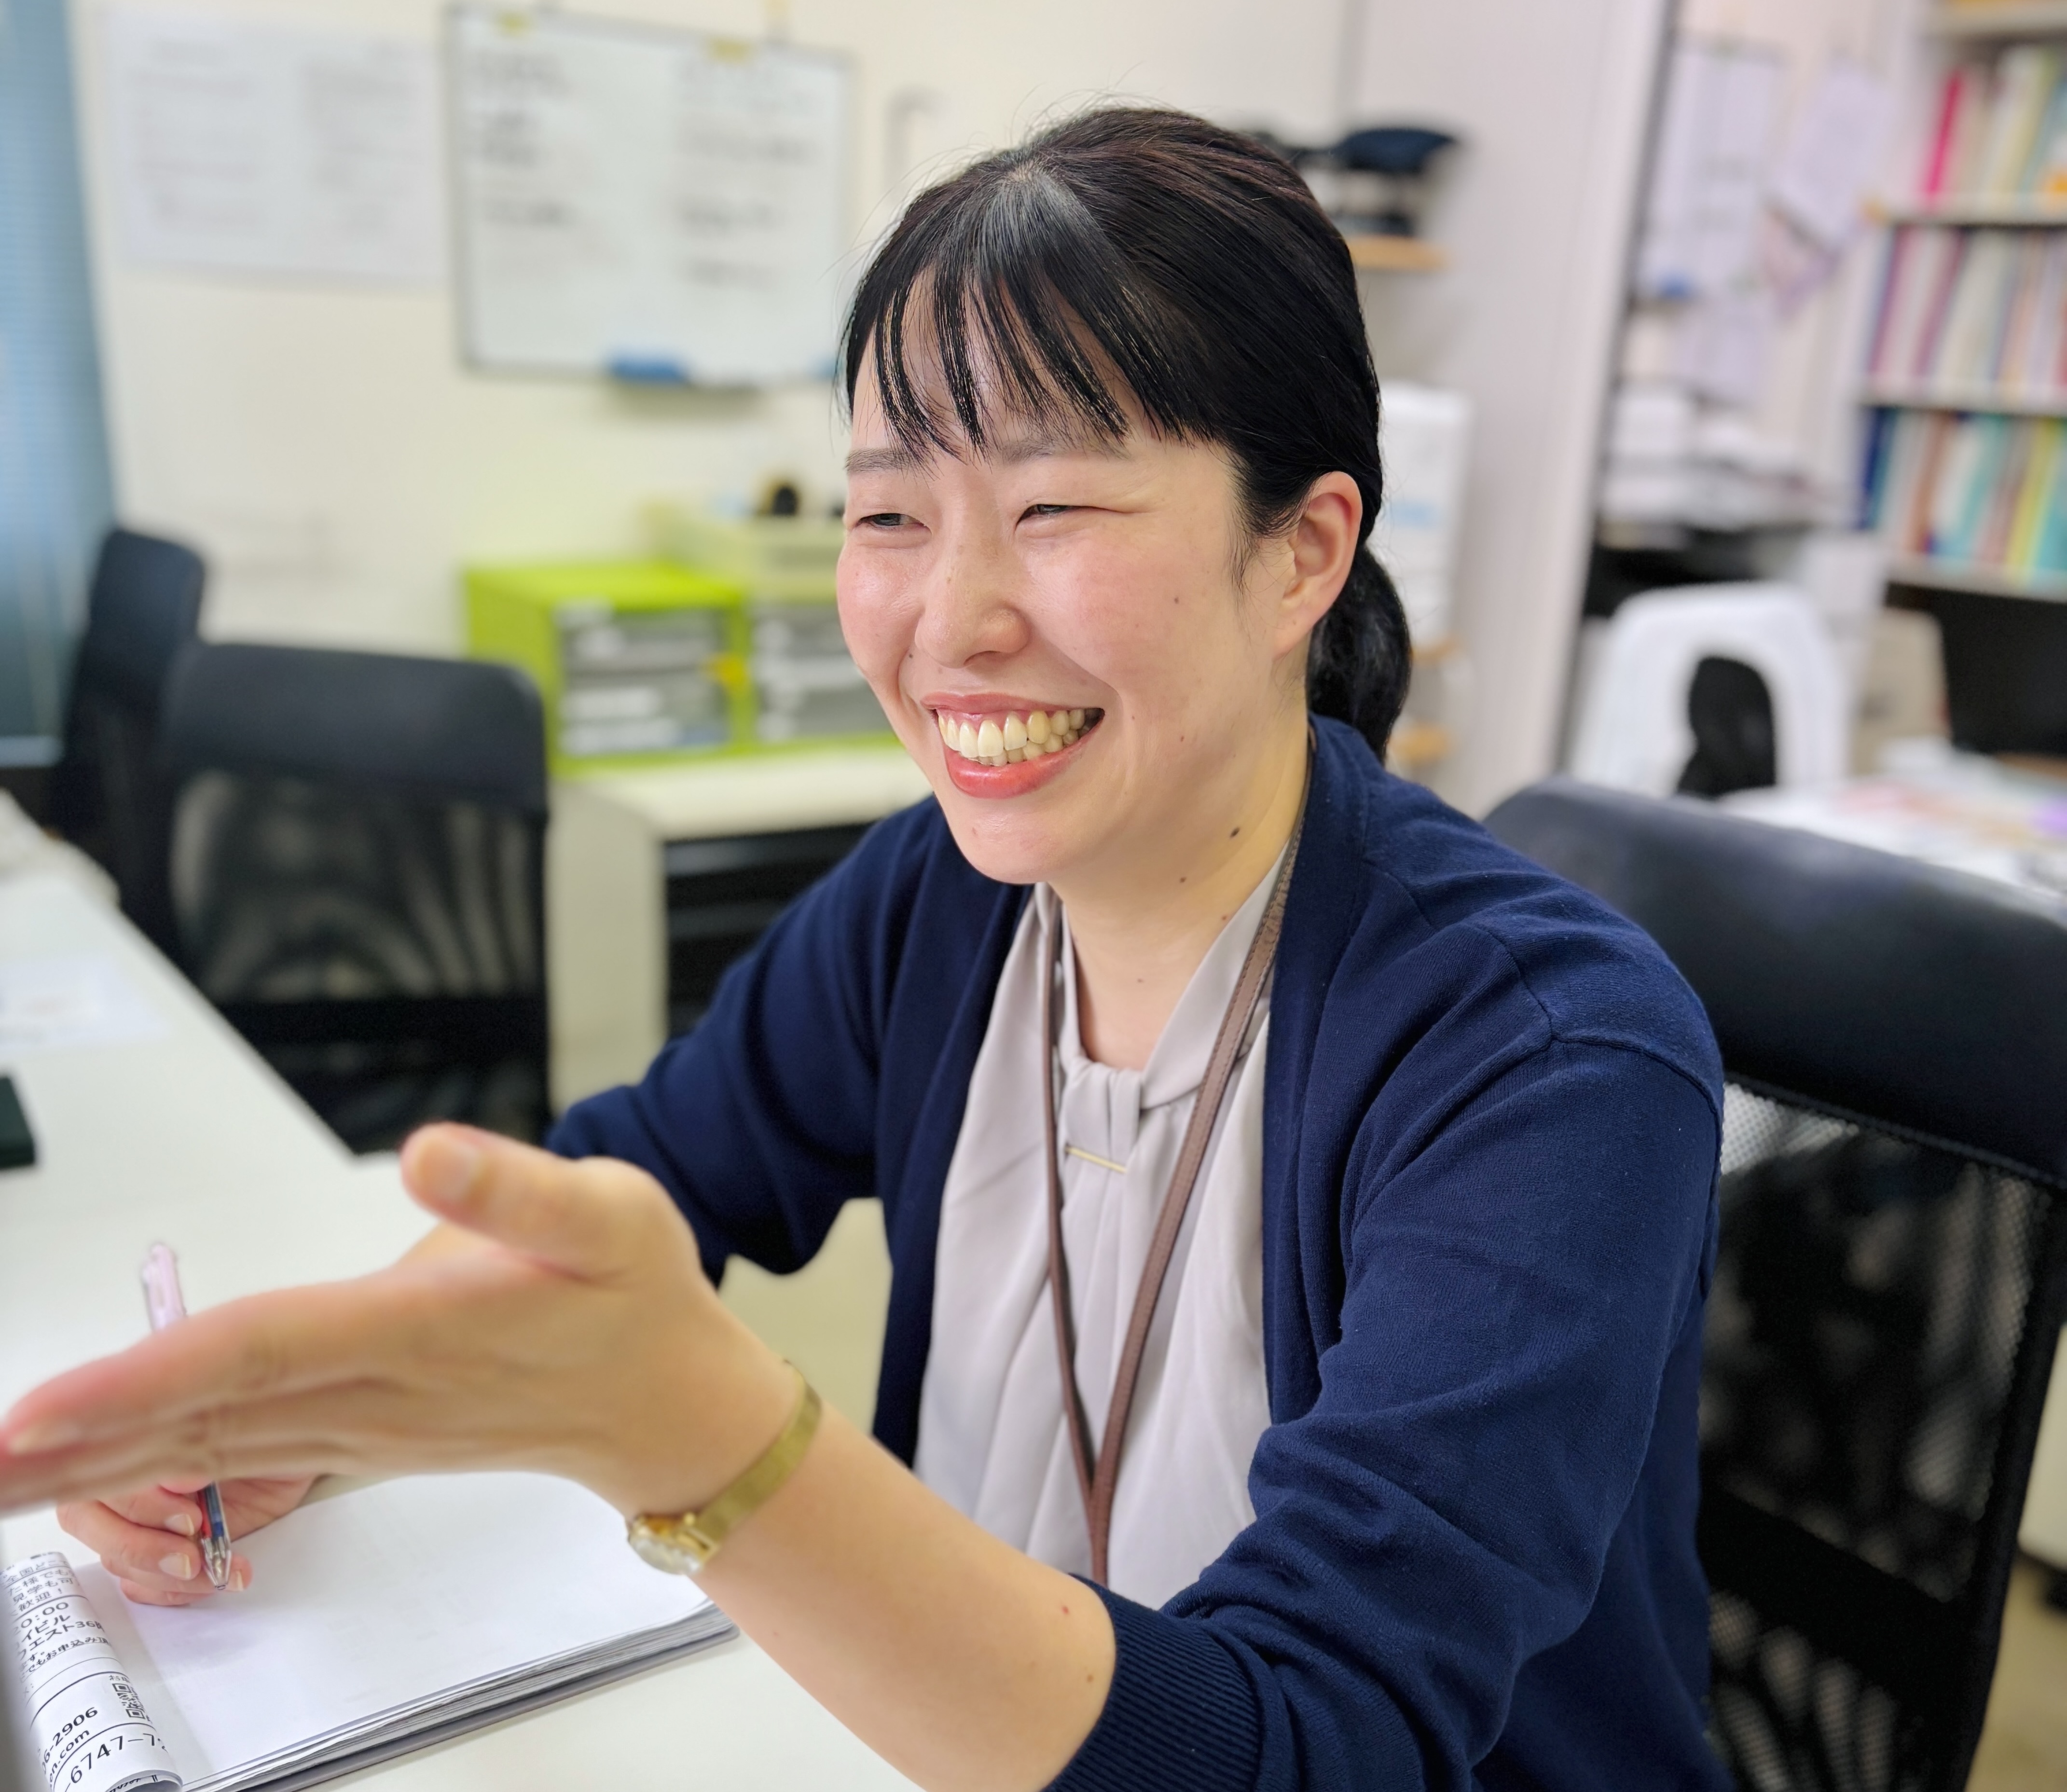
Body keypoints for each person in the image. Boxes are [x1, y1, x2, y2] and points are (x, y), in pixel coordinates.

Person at [0, 109, 1728, 1792]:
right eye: (889, 514)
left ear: (1301, 554)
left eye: (1056, 507)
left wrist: (719, 1449)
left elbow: (1312, 1739)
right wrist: (315, 1409)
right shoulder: (943, 898)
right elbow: (642, 1179)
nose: (948, 620)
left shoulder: (1545, 1059)